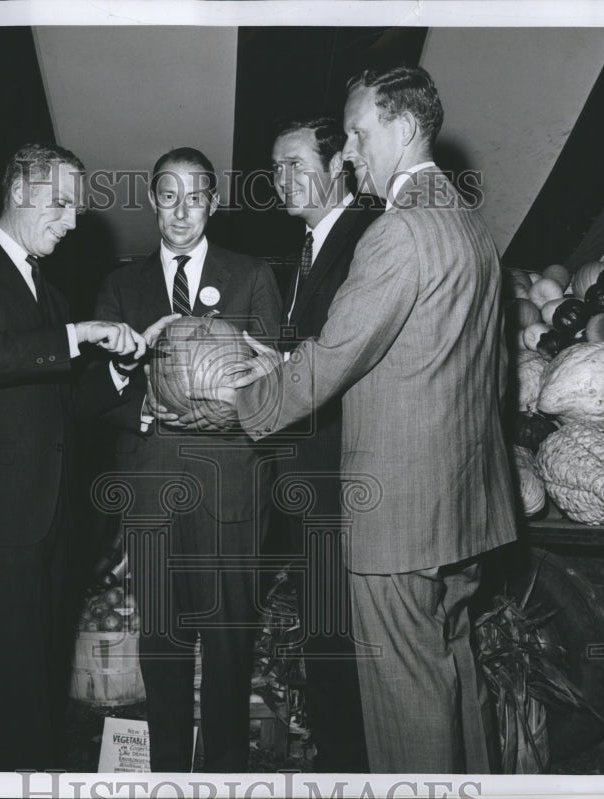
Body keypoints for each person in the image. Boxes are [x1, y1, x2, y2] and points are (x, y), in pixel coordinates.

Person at [214, 66, 518, 773]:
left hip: (400, 515)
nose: (348, 152)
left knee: (406, 700)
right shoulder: (472, 224)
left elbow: (333, 356)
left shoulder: (397, 232)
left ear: (405, 128)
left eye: (358, 132)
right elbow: (491, 371)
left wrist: (243, 399)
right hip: (465, 505)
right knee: (456, 674)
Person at [0, 142, 173, 771]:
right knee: (13, 690)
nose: (70, 220)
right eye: (60, 203)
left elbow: (62, 405)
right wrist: (76, 335)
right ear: (18, 190)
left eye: (76, 209)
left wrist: (116, 375)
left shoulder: (49, 294)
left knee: (34, 688)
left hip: (51, 519)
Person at [92, 147, 281, 772]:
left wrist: (249, 383)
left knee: (229, 640)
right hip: (151, 486)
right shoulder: (121, 284)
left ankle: (226, 769)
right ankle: (168, 769)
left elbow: (276, 390)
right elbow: (95, 389)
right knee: (163, 640)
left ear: (213, 202)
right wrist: (137, 395)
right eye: (167, 195)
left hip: (229, 486)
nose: (180, 210)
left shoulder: (253, 275)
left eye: (194, 196)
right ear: (151, 201)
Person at [267, 116, 379, 772]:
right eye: (274, 167)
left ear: (337, 164)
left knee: (339, 645)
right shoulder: (310, 249)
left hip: (344, 488)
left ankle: (351, 770)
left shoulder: (364, 239)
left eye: (293, 163)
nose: (281, 180)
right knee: (326, 639)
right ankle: (341, 759)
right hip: (314, 487)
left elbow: (335, 364)